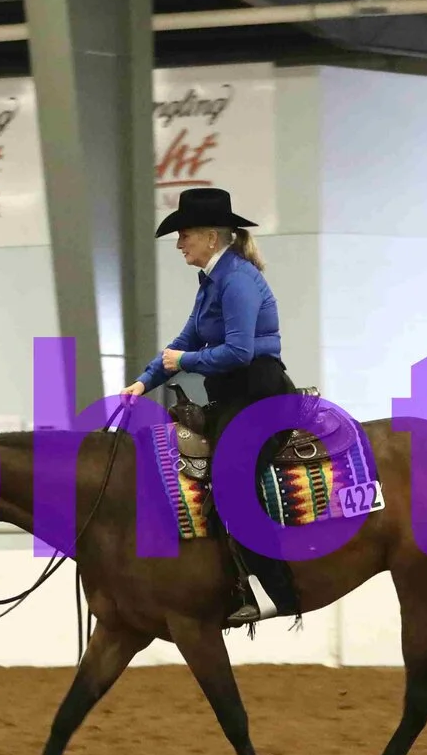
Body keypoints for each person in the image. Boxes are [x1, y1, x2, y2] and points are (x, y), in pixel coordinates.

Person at [121, 186, 300, 625]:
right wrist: (143, 382)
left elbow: (239, 351)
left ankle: (275, 592)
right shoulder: (213, 283)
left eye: (184, 235)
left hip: (260, 394)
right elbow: (184, 341)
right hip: (235, 395)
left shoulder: (237, 281)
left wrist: (184, 362)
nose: (179, 244)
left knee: (231, 479)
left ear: (211, 237)